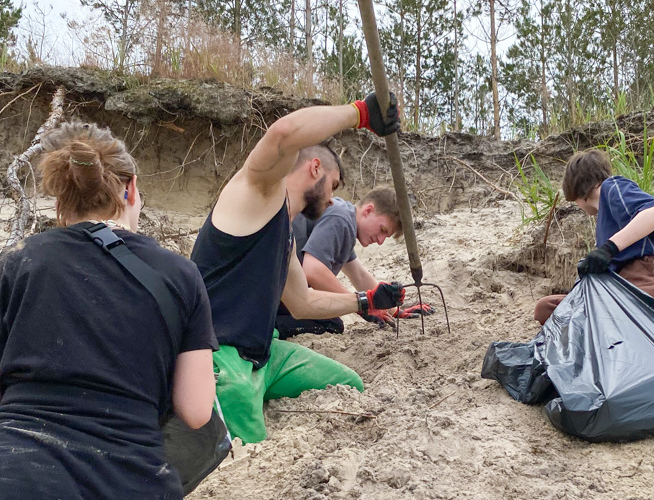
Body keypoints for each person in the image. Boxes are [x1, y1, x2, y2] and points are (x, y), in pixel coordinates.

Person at [0, 122, 217, 500]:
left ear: (60, 200)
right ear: (130, 188)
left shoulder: (18, 261)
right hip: (132, 478)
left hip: (17, 470)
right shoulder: (180, 273)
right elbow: (196, 411)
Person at [190, 93, 406, 445]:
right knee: (251, 443)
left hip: (266, 353)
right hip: (220, 355)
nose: (333, 198)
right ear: (315, 168)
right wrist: (360, 114)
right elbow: (284, 133)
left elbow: (304, 303)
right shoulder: (258, 193)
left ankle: (260, 391)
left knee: (349, 383)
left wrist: (366, 301)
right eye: (334, 185)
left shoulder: (285, 237)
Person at [534, 149, 654, 325]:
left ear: (578, 192)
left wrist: (609, 248)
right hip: (622, 288)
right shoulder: (604, 219)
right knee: (547, 308)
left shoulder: (612, 187)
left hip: (648, 281)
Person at [277, 186, 430, 337]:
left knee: (330, 318)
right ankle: (269, 328)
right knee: (331, 324)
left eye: (386, 236)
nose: (381, 240)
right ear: (368, 210)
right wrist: (362, 304)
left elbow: (359, 275)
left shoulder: (344, 218)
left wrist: (394, 310)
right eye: (383, 230)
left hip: (276, 293)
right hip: (266, 296)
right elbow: (313, 271)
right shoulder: (342, 219)